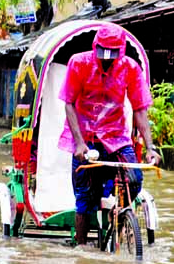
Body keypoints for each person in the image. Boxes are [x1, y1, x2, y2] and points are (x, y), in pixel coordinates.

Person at [59, 25, 159, 246]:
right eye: (102, 53)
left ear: (120, 51)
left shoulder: (130, 68)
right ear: (96, 47)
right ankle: (82, 249)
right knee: (85, 199)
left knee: (134, 179)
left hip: (116, 138)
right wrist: (79, 143)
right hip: (84, 138)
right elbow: (69, 103)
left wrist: (150, 148)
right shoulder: (79, 62)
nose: (106, 59)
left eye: (111, 54)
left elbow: (140, 109)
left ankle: (120, 219)